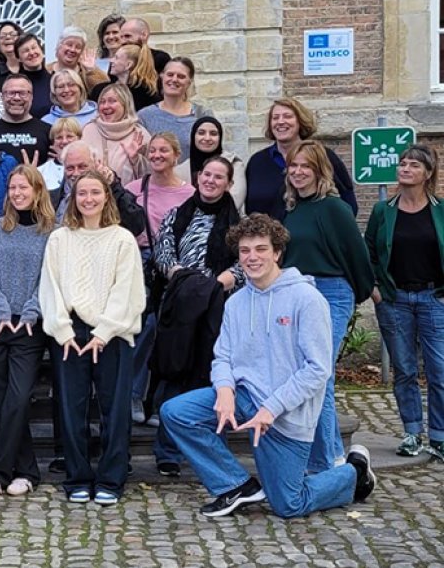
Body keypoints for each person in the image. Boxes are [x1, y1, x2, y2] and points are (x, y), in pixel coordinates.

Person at [161, 214, 377, 519]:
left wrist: (271, 409)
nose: (252, 257)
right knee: (177, 412)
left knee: (289, 503)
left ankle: (353, 472)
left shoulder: (307, 299)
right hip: (245, 399)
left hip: (284, 414)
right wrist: (224, 391)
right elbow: (223, 356)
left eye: (261, 249)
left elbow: (317, 370)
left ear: (277, 252)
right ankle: (236, 486)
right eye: (245, 251)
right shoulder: (236, 303)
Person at [39, 171, 144, 505]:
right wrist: (62, 330)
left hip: (112, 332)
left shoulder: (122, 239)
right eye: (81, 193)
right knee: (72, 407)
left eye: (95, 192)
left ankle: (112, 478)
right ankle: (78, 476)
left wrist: (103, 332)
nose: (88, 199)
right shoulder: (60, 239)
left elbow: (127, 290)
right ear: (73, 198)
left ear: (106, 197)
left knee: (114, 408)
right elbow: (50, 287)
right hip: (70, 331)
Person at [281, 140, 374, 473]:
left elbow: (358, 257)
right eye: (293, 166)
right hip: (298, 294)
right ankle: (323, 458)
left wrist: (359, 294)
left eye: (306, 166)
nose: (299, 171)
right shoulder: (293, 210)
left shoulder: (335, 208)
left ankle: (330, 461)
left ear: (320, 170)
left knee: (319, 376)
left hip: (331, 292)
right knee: (309, 376)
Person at [148, 156, 242, 472]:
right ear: (198, 177)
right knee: (176, 374)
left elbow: (246, 263)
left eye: (219, 177)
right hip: (181, 304)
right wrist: (185, 279)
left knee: (214, 378)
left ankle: (214, 451)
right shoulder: (178, 214)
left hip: (220, 307)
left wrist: (216, 284)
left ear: (229, 184)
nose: (211, 180)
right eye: (207, 175)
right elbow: (163, 253)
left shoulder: (238, 223)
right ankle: (168, 451)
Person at [0, 165, 55, 495]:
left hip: (29, 327)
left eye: (24, 188)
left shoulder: (51, 232)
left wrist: (29, 313)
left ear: (38, 191)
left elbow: (49, 280)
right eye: (12, 188)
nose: (17, 193)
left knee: (18, 399)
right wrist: (1, 308)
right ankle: (27, 472)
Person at [365, 144, 444, 460]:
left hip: (434, 297)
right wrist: (374, 289)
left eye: (413, 165)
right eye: (402, 163)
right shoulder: (383, 210)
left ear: (427, 174)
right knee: (406, 369)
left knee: (439, 369)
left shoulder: (440, 209)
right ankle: (412, 432)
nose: (405, 168)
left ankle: (438, 436)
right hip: (394, 298)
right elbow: (368, 250)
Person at [244, 97, 357, 219]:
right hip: (267, 237)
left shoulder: (323, 156)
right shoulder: (257, 162)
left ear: (300, 121)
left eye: (287, 116)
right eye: (275, 117)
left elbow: (348, 204)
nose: (280, 122)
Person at [135, 57, 213, 162]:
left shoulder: (202, 115)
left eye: (181, 76)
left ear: (189, 82)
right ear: (162, 77)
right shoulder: (144, 116)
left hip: (193, 177)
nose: (174, 79)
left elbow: (213, 153)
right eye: (170, 75)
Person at [81, 83, 150, 185]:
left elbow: (153, 176)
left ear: (125, 105)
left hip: (128, 198)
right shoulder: (88, 130)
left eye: (112, 101)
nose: (106, 106)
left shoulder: (140, 134)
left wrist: (135, 160)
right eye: (102, 102)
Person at [174, 116, 246, 212]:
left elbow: (235, 201)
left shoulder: (234, 164)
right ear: (193, 136)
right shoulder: (180, 171)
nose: (207, 138)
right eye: (201, 133)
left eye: (213, 134)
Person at [0, 75, 51, 166]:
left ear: (31, 97)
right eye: (11, 93)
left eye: (23, 93)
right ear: (2, 97)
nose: (17, 98)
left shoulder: (48, 131)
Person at [92, 44, 161, 113]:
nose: (111, 61)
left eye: (116, 58)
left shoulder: (144, 93)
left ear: (128, 65)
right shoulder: (100, 89)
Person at [47, 27, 108, 93]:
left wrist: (91, 70)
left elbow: (104, 91)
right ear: (59, 46)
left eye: (78, 47)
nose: (72, 50)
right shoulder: (46, 71)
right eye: (69, 45)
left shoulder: (86, 71)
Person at [10, 35, 54, 118]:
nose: (32, 53)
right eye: (25, 51)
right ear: (19, 58)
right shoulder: (14, 85)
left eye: (34, 47)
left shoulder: (54, 81)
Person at [37, 118, 82, 193]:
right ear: (53, 142)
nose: (64, 141)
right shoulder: (40, 172)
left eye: (69, 136)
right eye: (59, 137)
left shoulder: (89, 168)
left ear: (79, 139)